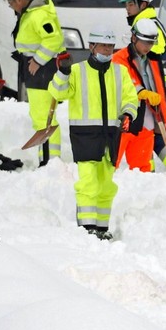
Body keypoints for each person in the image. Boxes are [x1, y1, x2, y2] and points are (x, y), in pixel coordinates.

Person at [49, 28, 138, 239]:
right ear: (91, 47)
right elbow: (58, 92)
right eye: (102, 46)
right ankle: (87, 228)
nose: (107, 50)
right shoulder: (77, 71)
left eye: (110, 46)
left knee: (106, 184)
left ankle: (101, 227)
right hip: (85, 135)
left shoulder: (119, 72)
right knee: (88, 182)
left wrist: (128, 114)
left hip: (110, 135)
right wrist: (63, 72)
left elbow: (130, 97)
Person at [112, 17, 166, 172]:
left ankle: (145, 186)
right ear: (134, 38)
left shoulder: (154, 60)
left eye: (151, 42)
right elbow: (124, 80)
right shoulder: (120, 58)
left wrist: (164, 107)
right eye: (145, 42)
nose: (148, 46)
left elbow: (158, 85)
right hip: (124, 118)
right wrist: (142, 92)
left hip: (147, 118)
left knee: (143, 167)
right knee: (112, 162)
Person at [4, 0, 65, 166]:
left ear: (20, 0)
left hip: (43, 71)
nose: (11, 7)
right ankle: (47, 159)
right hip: (36, 70)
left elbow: (54, 39)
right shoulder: (30, 14)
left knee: (44, 117)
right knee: (41, 116)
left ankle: (50, 161)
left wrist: (38, 60)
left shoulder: (38, 15)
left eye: (11, 3)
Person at [120, 0, 166, 106]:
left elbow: (153, 59)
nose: (127, 8)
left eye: (131, 4)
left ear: (143, 5)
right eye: (126, 4)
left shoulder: (148, 26)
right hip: (156, 87)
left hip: (159, 89)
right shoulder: (147, 22)